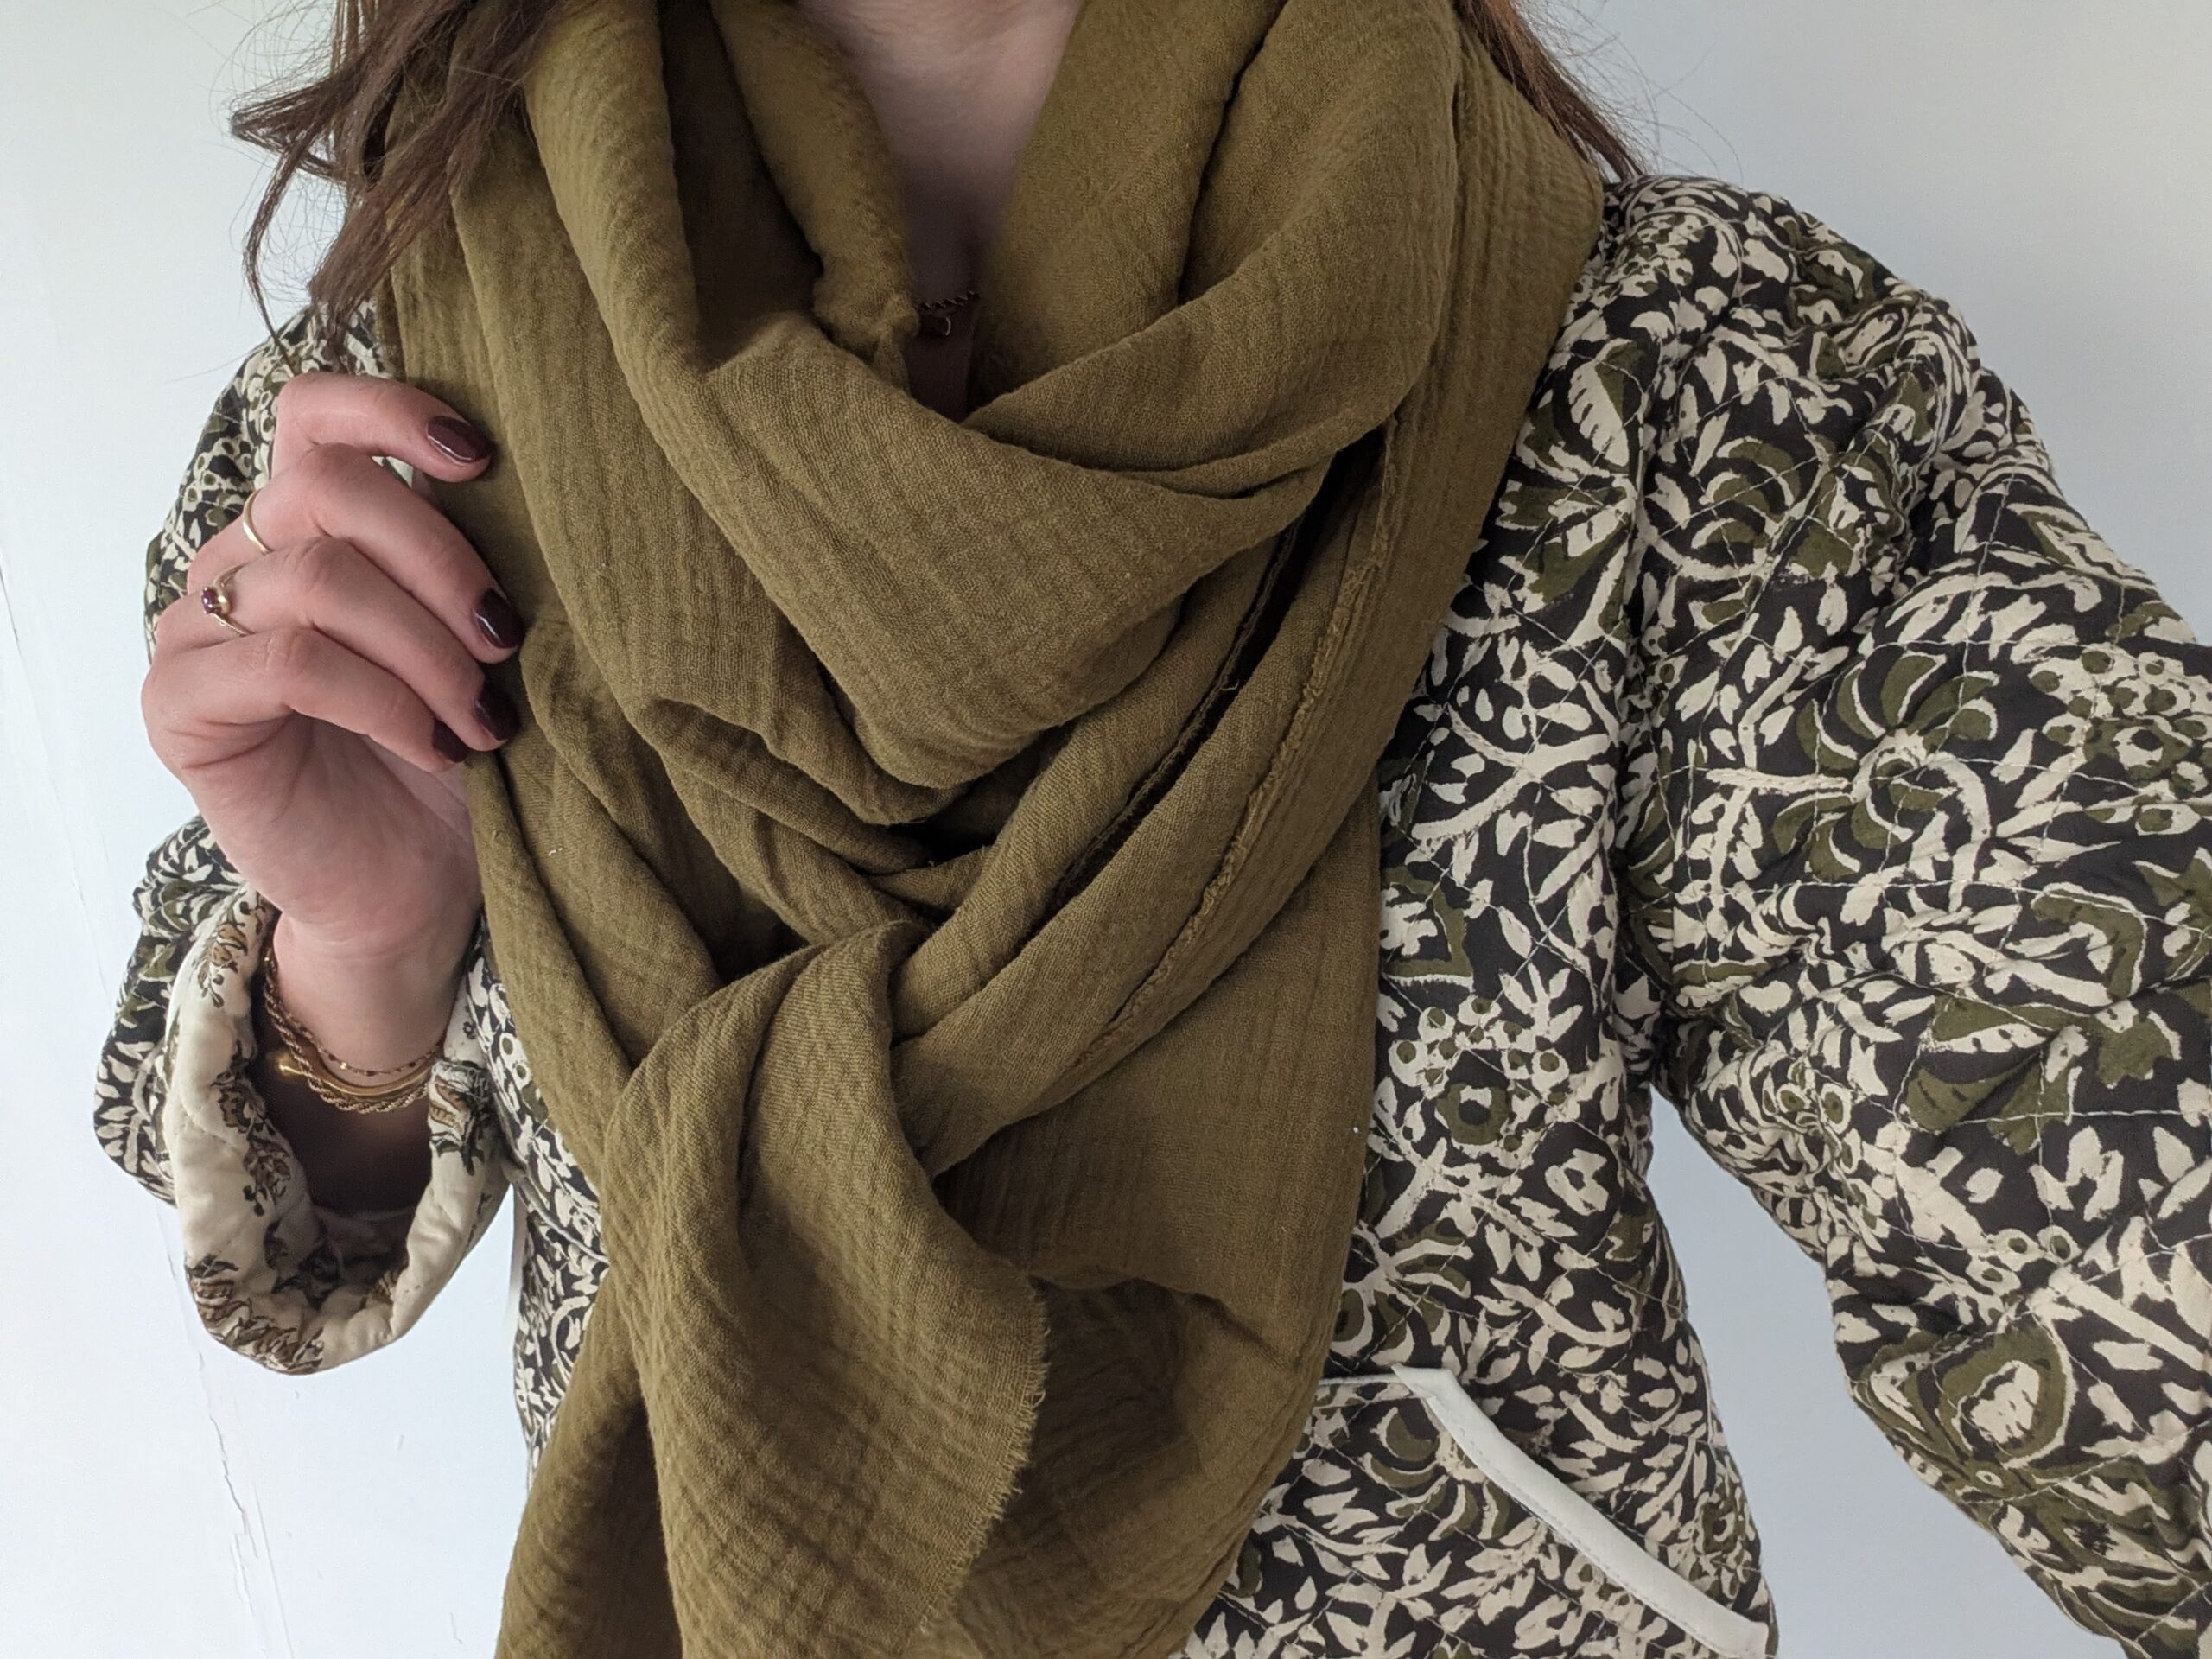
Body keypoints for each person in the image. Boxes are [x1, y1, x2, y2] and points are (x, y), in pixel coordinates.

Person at [94, 0, 2211, 1653]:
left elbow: (2101, 1097)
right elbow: (283, 1222)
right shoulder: (397, 414)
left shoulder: (1670, 376)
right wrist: (368, 947)